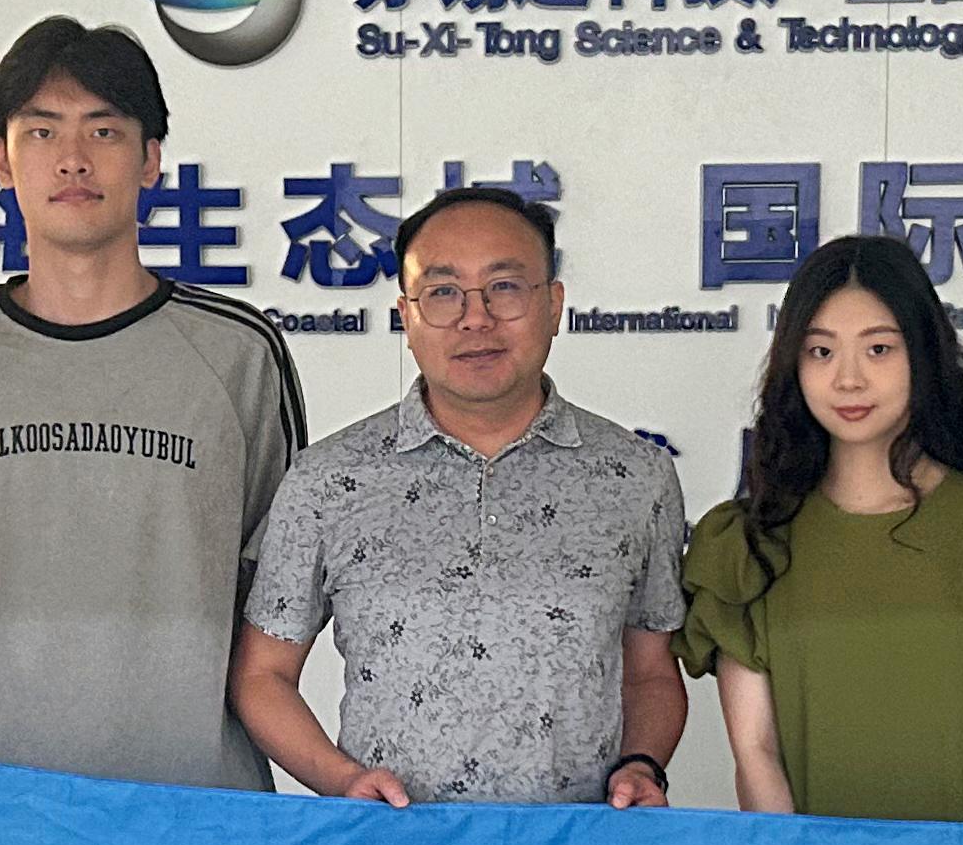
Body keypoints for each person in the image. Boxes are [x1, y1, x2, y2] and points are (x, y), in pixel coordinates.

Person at [0, 17, 303, 786]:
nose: (73, 159)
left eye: (105, 131)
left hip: (195, 798)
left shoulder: (239, 354)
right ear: (1, 160)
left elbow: (281, 585)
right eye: (42, 132)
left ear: (151, 159)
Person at [232, 185, 689, 808]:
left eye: (505, 286)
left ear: (554, 305)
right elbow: (263, 675)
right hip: (393, 843)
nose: (477, 318)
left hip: (577, 844)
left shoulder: (636, 476)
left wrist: (642, 765)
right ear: (407, 316)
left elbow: (652, 672)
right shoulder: (329, 479)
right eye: (443, 292)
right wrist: (341, 781)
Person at [678, 233, 963, 821]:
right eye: (820, 351)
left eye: (878, 349)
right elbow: (755, 754)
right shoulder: (747, 542)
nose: (848, 379)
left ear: (923, 355)